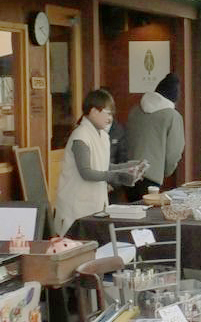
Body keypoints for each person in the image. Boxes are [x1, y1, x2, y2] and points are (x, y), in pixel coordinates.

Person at [53, 90, 139, 236]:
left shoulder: (103, 135)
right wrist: (117, 176)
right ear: (93, 111)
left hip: (95, 204)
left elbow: (104, 167)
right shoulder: (80, 135)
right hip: (76, 206)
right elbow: (86, 172)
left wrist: (130, 166)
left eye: (112, 114)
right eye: (107, 113)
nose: (110, 118)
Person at [126, 73, 185, 200]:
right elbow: (174, 152)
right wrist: (166, 171)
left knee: (131, 215)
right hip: (151, 176)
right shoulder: (172, 116)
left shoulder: (135, 110)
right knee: (148, 215)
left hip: (128, 173)